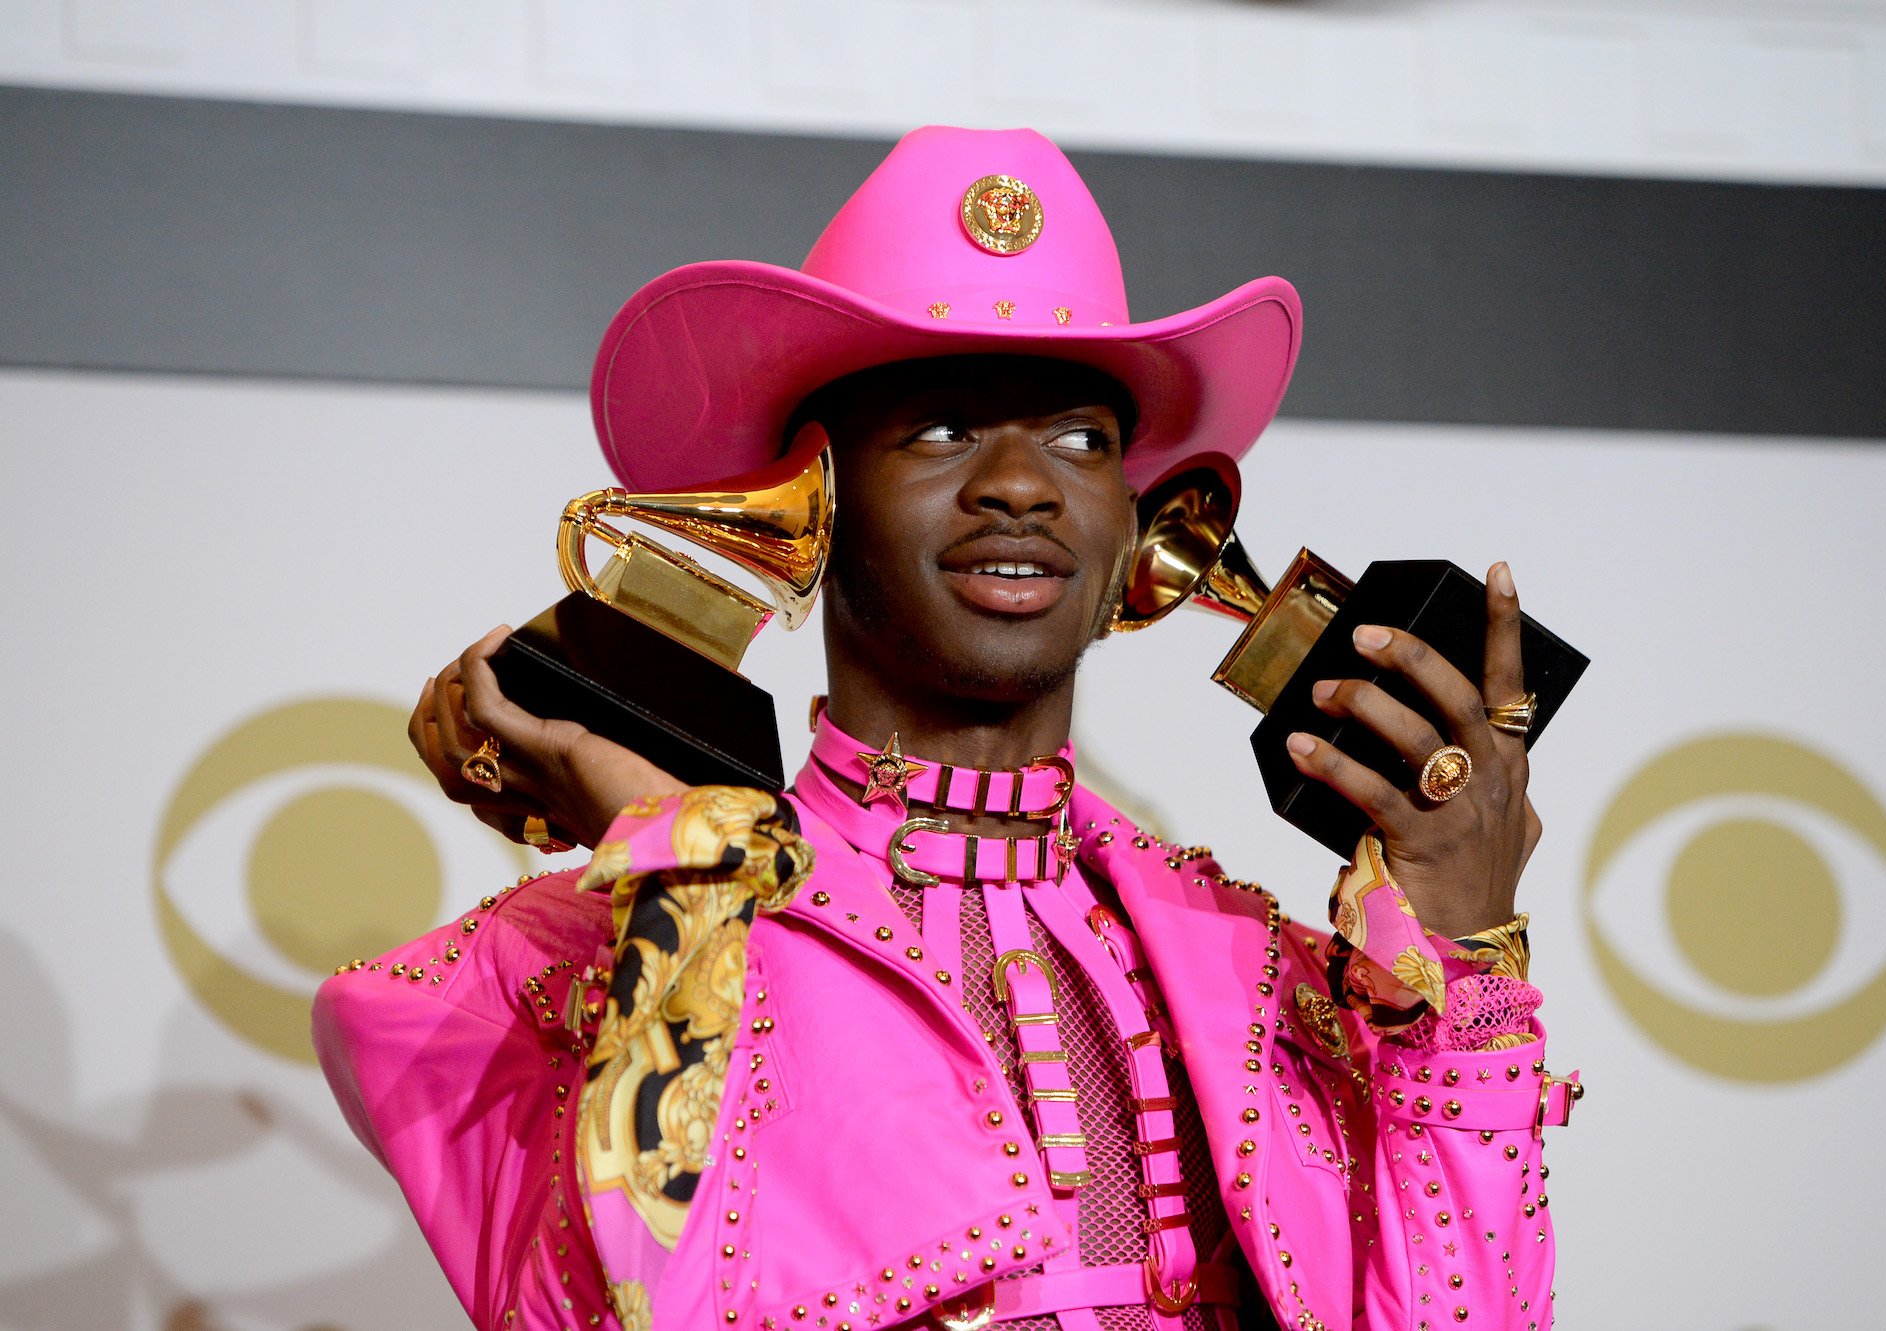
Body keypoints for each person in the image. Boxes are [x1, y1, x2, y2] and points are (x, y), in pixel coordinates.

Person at [314, 126, 1578, 1331]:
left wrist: (1461, 959)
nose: (1021, 484)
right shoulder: (544, 969)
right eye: (940, 428)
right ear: (804, 504)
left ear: (1140, 530)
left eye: (1080, 438)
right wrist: (680, 876)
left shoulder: (1263, 979)